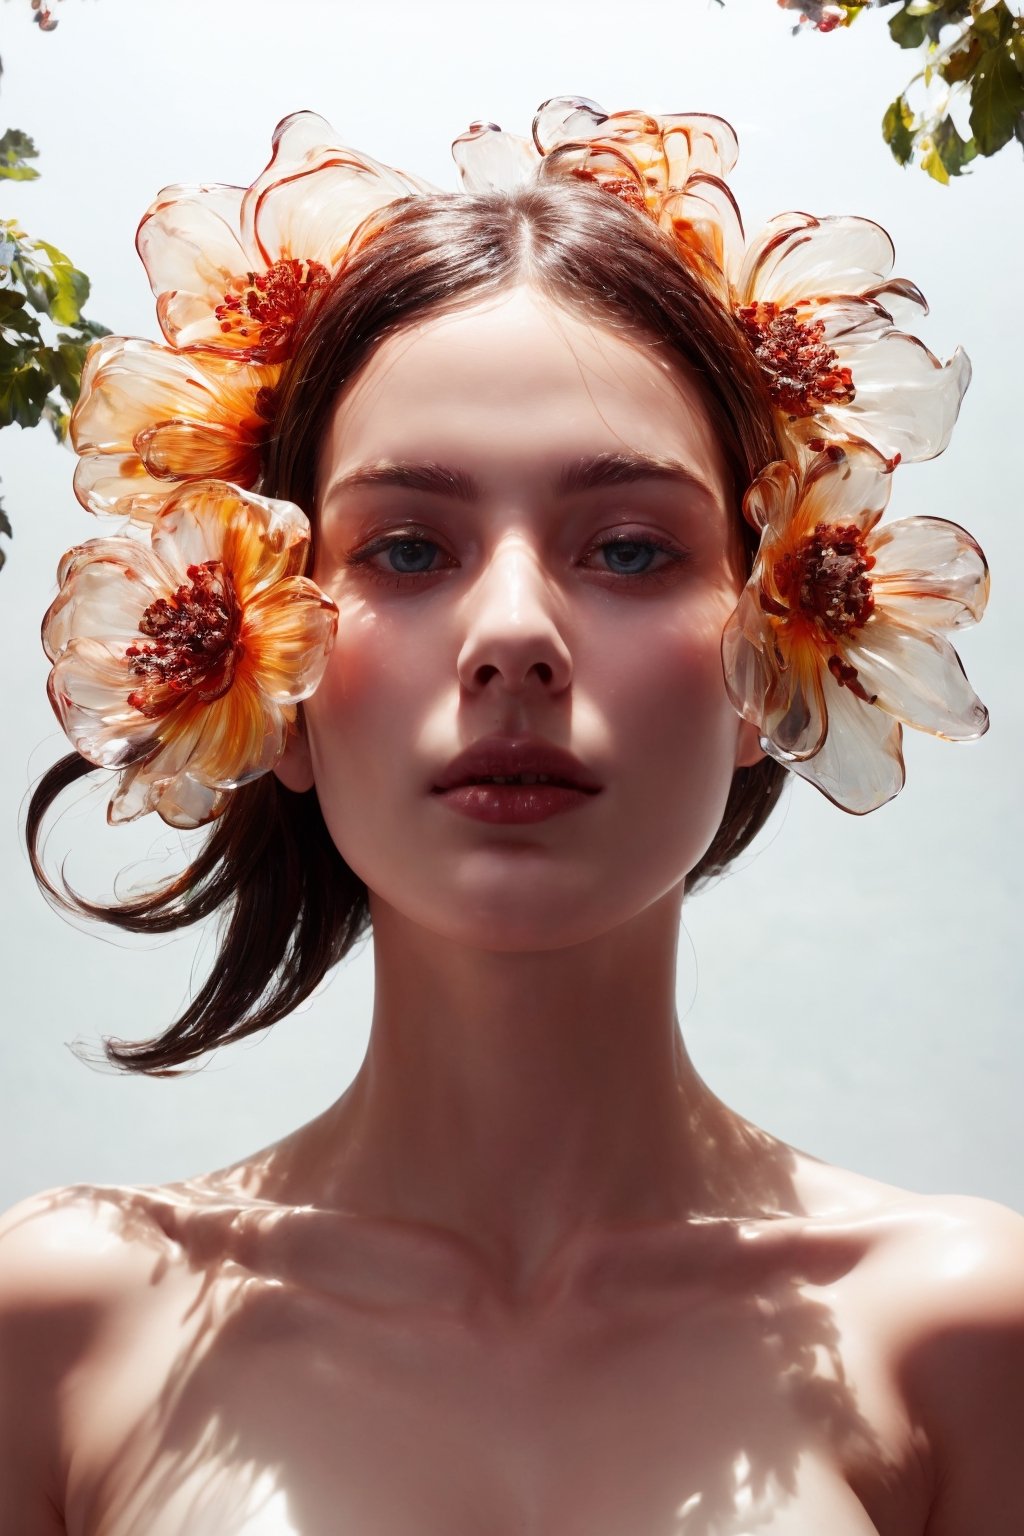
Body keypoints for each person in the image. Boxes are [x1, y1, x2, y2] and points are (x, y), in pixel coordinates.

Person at [0, 99, 1019, 1535]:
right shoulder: (61, 1331)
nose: (514, 635)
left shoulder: (961, 1337)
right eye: (407, 546)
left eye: (629, 547)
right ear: (265, 677)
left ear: (777, 649)